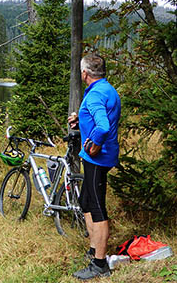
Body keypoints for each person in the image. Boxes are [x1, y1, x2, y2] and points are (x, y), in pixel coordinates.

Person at [67, 53, 121, 280]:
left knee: (97, 207)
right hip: (95, 159)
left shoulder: (96, 93)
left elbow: (103, 126)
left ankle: (100, 264)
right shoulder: (105, 89)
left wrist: (95, 143)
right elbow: (99, 116)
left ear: (85, 73)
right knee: (86, 201)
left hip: (98, 159)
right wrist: (81, 120)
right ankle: (93, 250)